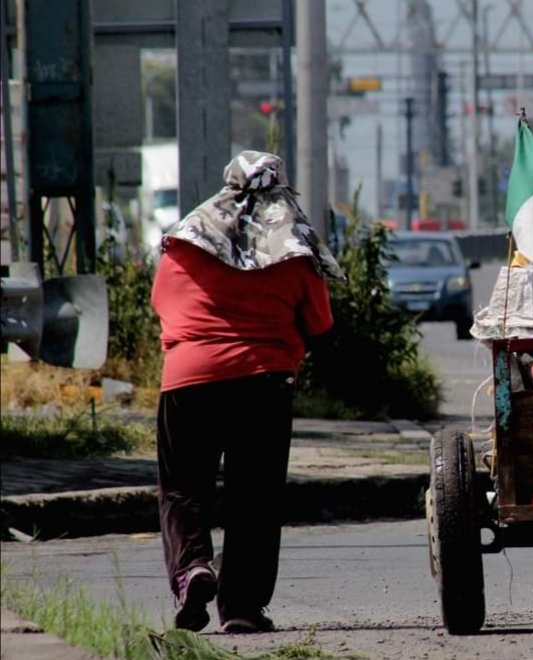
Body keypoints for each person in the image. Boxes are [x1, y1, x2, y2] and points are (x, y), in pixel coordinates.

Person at [151, 151, 345, 633]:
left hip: (187, 381)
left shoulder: (183, 243)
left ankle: (193, 568)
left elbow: (162, 305)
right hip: (263, 381)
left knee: (182, 488)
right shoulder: (294, 251)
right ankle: (240, 608)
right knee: (254, 497)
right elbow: (320, 323)